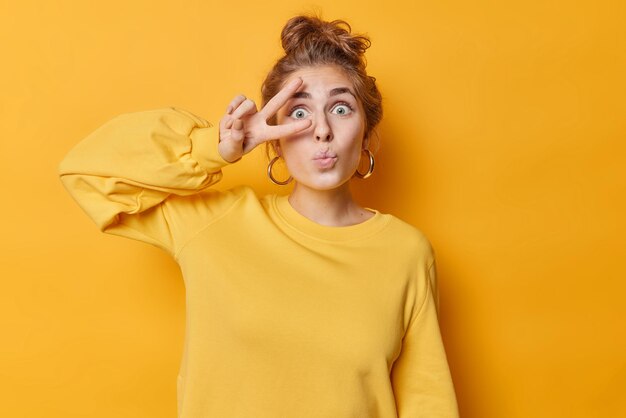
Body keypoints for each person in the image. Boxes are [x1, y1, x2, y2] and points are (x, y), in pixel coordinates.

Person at [58, 14, 459, 418]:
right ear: (275, 140)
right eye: (299, 114)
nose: (321, 130)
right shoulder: (216, 223)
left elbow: (427, 402)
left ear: (368, 134)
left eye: (340, 108)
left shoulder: (405, 253)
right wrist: (211, 148)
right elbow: (87, 172)